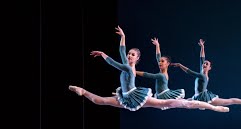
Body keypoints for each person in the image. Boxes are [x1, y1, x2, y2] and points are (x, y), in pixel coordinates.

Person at [69, 26, 229, 112]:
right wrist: (123, 37)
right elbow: (121, 53)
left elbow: (114, 63)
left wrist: (103, 54)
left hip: (138, 97)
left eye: (133, 54)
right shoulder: (127, 66)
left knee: (180, 104)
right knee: (100, 101)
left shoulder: (132, 70)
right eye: (129, 54)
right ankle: (82, 91)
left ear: (137, 58)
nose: (129, 56)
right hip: (126, 97)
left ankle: (214, 107)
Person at [171, 39, 241, 107]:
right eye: (204, 63)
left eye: (207, 64)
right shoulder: (202, 70)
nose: (204, 64)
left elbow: (189, 72)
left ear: (209, 68)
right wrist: (202, 47)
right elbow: (202, 58)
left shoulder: (202, 76)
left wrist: (179, 65)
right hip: (197, 95)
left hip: (204, 97)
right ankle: (166, 102)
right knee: (184, 102)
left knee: (229, 101)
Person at [136, 37, 185, 102]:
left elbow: (148, 75)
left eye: (162, 61)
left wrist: (134, 71)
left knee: (181, 103)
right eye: (159, 61)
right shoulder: (161, 71)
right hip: (160, 95)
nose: (159, 62)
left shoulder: (161, 75)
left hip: (165, 95)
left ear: (167, 63)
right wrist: (157, 45)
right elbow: (158, 56)